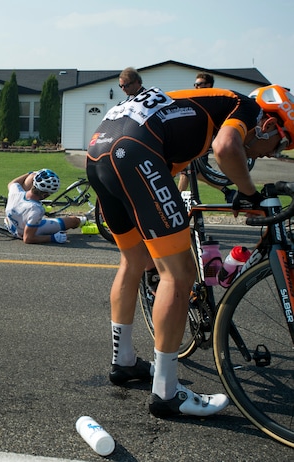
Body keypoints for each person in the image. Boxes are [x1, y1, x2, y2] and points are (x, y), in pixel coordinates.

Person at [85, 84, 292, 418]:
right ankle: (166, 394)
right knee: (179, 274)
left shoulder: (204, 107)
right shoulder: (246, 107)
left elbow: (201, 157)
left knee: (134, 260)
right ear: (269, 124)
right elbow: (226, 148)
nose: (272, 154)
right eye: (281, 144)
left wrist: (234, 188)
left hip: (99, 154)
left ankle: (123, 362)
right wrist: (251, 195)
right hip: (134, 152)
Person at [177, 72, 237, 203]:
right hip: (196, 138)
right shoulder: (197, 98)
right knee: (188, 170)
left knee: (191, 169)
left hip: (206, 139)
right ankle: (177, 200)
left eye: (199, 84)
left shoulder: (214, 98)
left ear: (208, 85)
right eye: (195, 84)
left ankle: (175, 199)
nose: (196, 87)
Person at [4, 169, 86, 244]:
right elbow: (28, 239)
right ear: (44, 195)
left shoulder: (16, 190)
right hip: (22, 231)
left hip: (12, 222)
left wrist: (30, 173)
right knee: (74, 221)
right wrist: (52, 238)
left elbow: (13, 182)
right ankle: (83, 220)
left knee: (31, 176)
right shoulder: (37, 209)